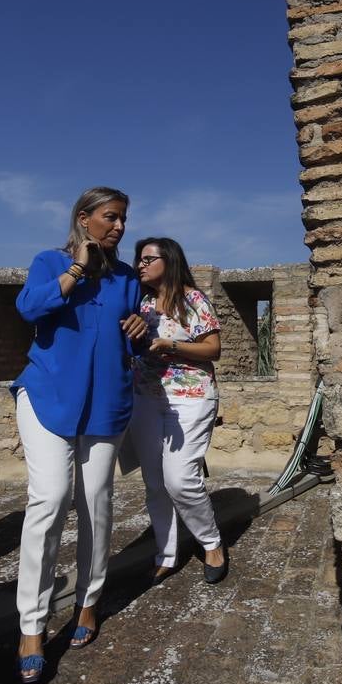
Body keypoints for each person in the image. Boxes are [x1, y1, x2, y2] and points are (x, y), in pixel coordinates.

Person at [12, 187, 147, 684]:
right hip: (48, 396)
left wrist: (140, 328)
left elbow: (136, 342)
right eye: (110, 218)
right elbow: (29, 309)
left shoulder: (128, 278)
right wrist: (76, 272)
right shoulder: (49, 262)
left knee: (97, 501)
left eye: (124, 219)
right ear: (84, 219)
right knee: (49, 500)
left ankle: (88, 602)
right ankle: (31, 625)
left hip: (106, 401)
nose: (119, 227)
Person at [127, 237, 227, 587]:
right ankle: (165, 554)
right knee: (154, 481)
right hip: (146, 397)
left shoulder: (192, 299)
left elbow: (213, 348)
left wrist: (171, 344)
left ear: (167, 261)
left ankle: (211, 543)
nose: (140, 264)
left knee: (180, 480)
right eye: (138, 259)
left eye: (148, 258)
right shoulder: (139, 301)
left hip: (191, 396)